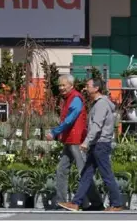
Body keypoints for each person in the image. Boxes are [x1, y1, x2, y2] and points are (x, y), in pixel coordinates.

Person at [58, 78, 123, 212]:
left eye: (88, 86)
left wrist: (86, 142)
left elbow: (97, 126)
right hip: (96, 144)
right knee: (87, 175)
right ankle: (76, 203)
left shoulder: (101, 105)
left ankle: (117, 203)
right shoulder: (97, 104)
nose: (85, 88)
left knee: (106, 174)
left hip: (100, 144)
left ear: (96, 88)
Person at [46, 74, 103, 210]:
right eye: (59, 85)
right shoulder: (68, 98)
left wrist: (55, 131)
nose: (61, 88)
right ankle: (61, 201)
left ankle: (96, 202)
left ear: (71, 85)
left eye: (63, 85)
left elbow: (71, 118)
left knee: (83, 170)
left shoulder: (75, 98)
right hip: (69, 139)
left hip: (76, 140)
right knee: (61, 170)